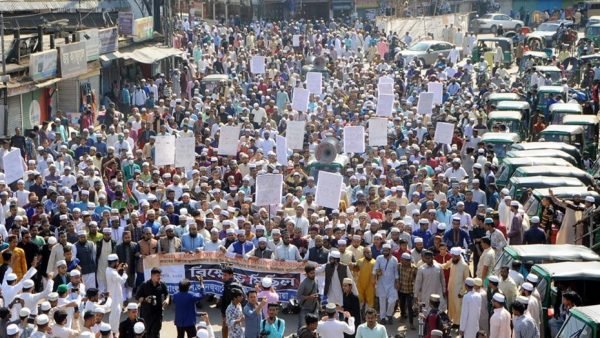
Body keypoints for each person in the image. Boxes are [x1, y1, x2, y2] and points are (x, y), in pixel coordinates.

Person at [136, 267, 170, 338]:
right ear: (152, 276)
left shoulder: (162, 285)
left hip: (158, 313)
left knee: (156, 332)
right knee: (146, 332)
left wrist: (167, 299)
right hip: (146, 314)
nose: (159, 277)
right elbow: (137, 297)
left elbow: (167, 294)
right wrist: (145, 299)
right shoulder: (144, 285)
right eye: (157, 275)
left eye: (160, 275)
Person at [373, 244, 399, 324]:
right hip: (381, 283)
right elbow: (375, 269)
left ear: (390, 251)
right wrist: (377, 272)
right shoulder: (379, 258)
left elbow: (396, 272)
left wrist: (397, 282)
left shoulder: (394, 259)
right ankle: (382, 317)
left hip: (391, 283)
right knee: (382, 300)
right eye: (384, 250)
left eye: (386, 250)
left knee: (393, 300)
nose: (385, 252)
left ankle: (389, 315)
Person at [296, 265, 319, 330]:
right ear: (307, 274)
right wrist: (309, 297)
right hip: (304, 309)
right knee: (302, 328)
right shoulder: (303, 283)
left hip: (314, 308)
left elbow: (317, 292)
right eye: (311, 273)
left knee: (315, 327)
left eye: (314, 272)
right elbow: (298, 296)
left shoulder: (316, 280)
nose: (313, 274)